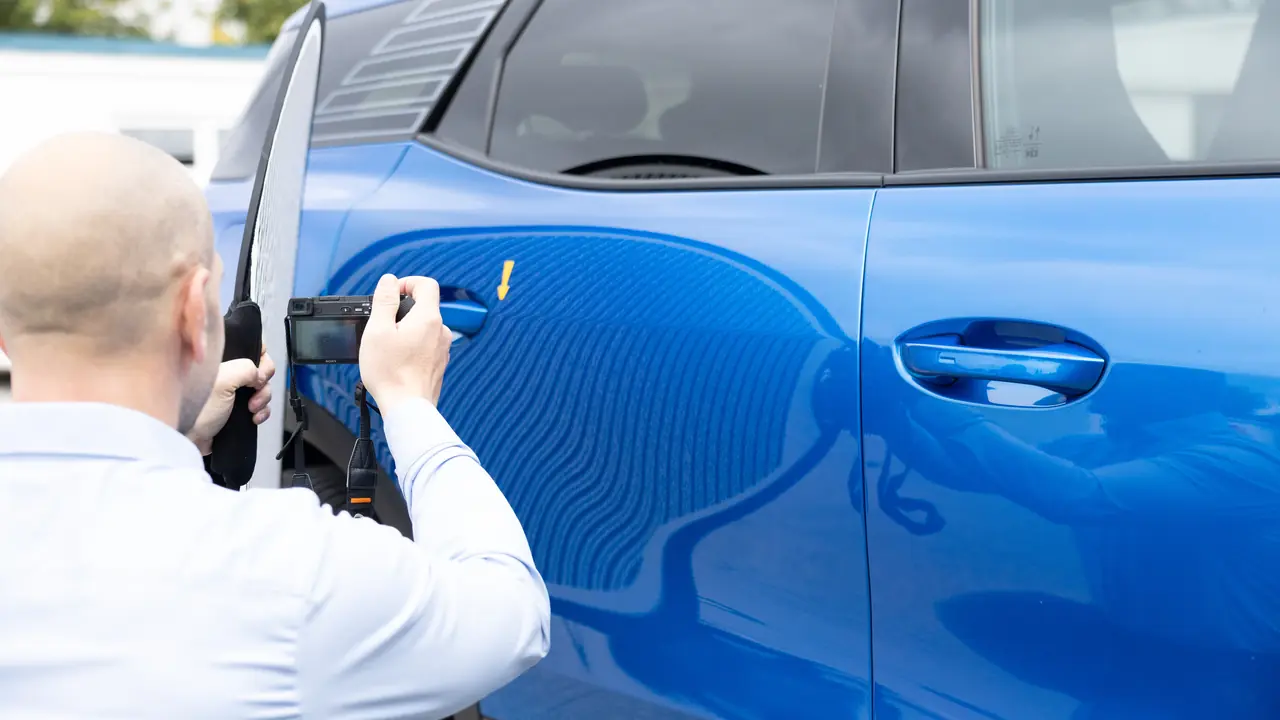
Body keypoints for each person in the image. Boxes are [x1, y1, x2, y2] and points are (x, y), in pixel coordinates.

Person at [0, 131, 549, 718]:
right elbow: (511, 618)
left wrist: (181, 436)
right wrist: (409, 403)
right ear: (194, 310)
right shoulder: (289, 569)